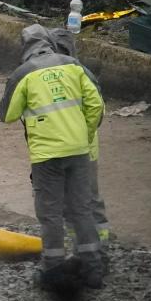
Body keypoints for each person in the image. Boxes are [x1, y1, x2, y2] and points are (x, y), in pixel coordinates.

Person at [0, 24, 105, 290]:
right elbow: (96, 104)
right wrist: (83, 132)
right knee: (82, 210)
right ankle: (93, 271)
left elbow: (7, 115)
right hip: (80, 151)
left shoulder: (23, 73)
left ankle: (53, 270)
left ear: (25, 46)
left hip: (47, 156)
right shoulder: (73, 65)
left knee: (51, 214)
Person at [49, 28, 111, 246]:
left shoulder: (69, 73)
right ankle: (90, 248)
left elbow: (96, 109)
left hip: (75, 149)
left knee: (81, 201)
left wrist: (80, 135)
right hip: (76, 147)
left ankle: (93, 249)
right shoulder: (77, 71)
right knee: (83, 201)